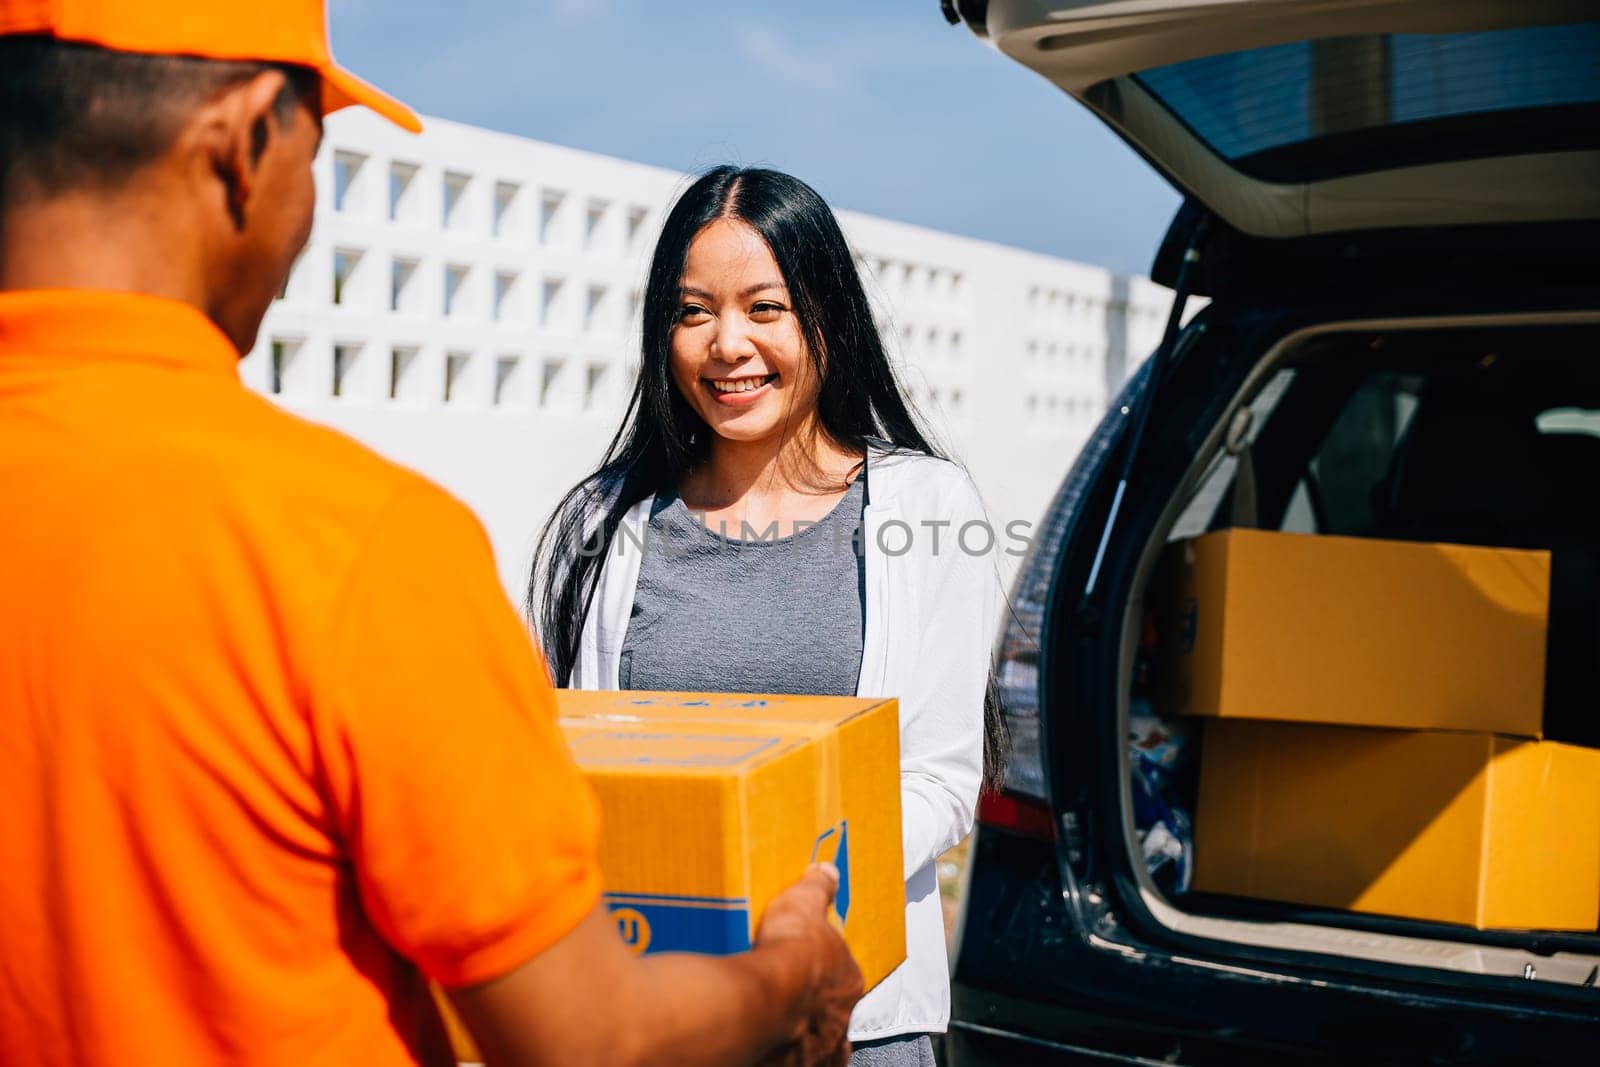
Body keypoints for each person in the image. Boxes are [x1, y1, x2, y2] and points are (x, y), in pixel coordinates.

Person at [0, 6, 862, 1066]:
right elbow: (589, 1039)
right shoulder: (352, 546)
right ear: (240, 145)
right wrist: (791, 976)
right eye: (316, 150)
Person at [532, 166, 1006, 1066]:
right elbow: (570, 770)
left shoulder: (928, 507)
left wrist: (784, 910)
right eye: (693, 311)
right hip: (656, 1017)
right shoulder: (603, 523)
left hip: (853, 1021)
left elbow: (940, 778)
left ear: (827, 316)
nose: (726, 344)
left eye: (765, 307)